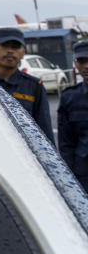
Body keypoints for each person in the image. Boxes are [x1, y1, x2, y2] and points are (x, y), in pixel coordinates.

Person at [0, 27, 53, 143]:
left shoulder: (34, 86)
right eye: (5, 45)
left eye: (15, 47)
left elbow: (44, 130)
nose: (10, 51)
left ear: (23, 53)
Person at [57, 40, 88, 190]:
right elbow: (66, 144)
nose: (86, 66)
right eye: (82, 61)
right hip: (83, 178)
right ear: (75, 64)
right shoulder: (69, 98)